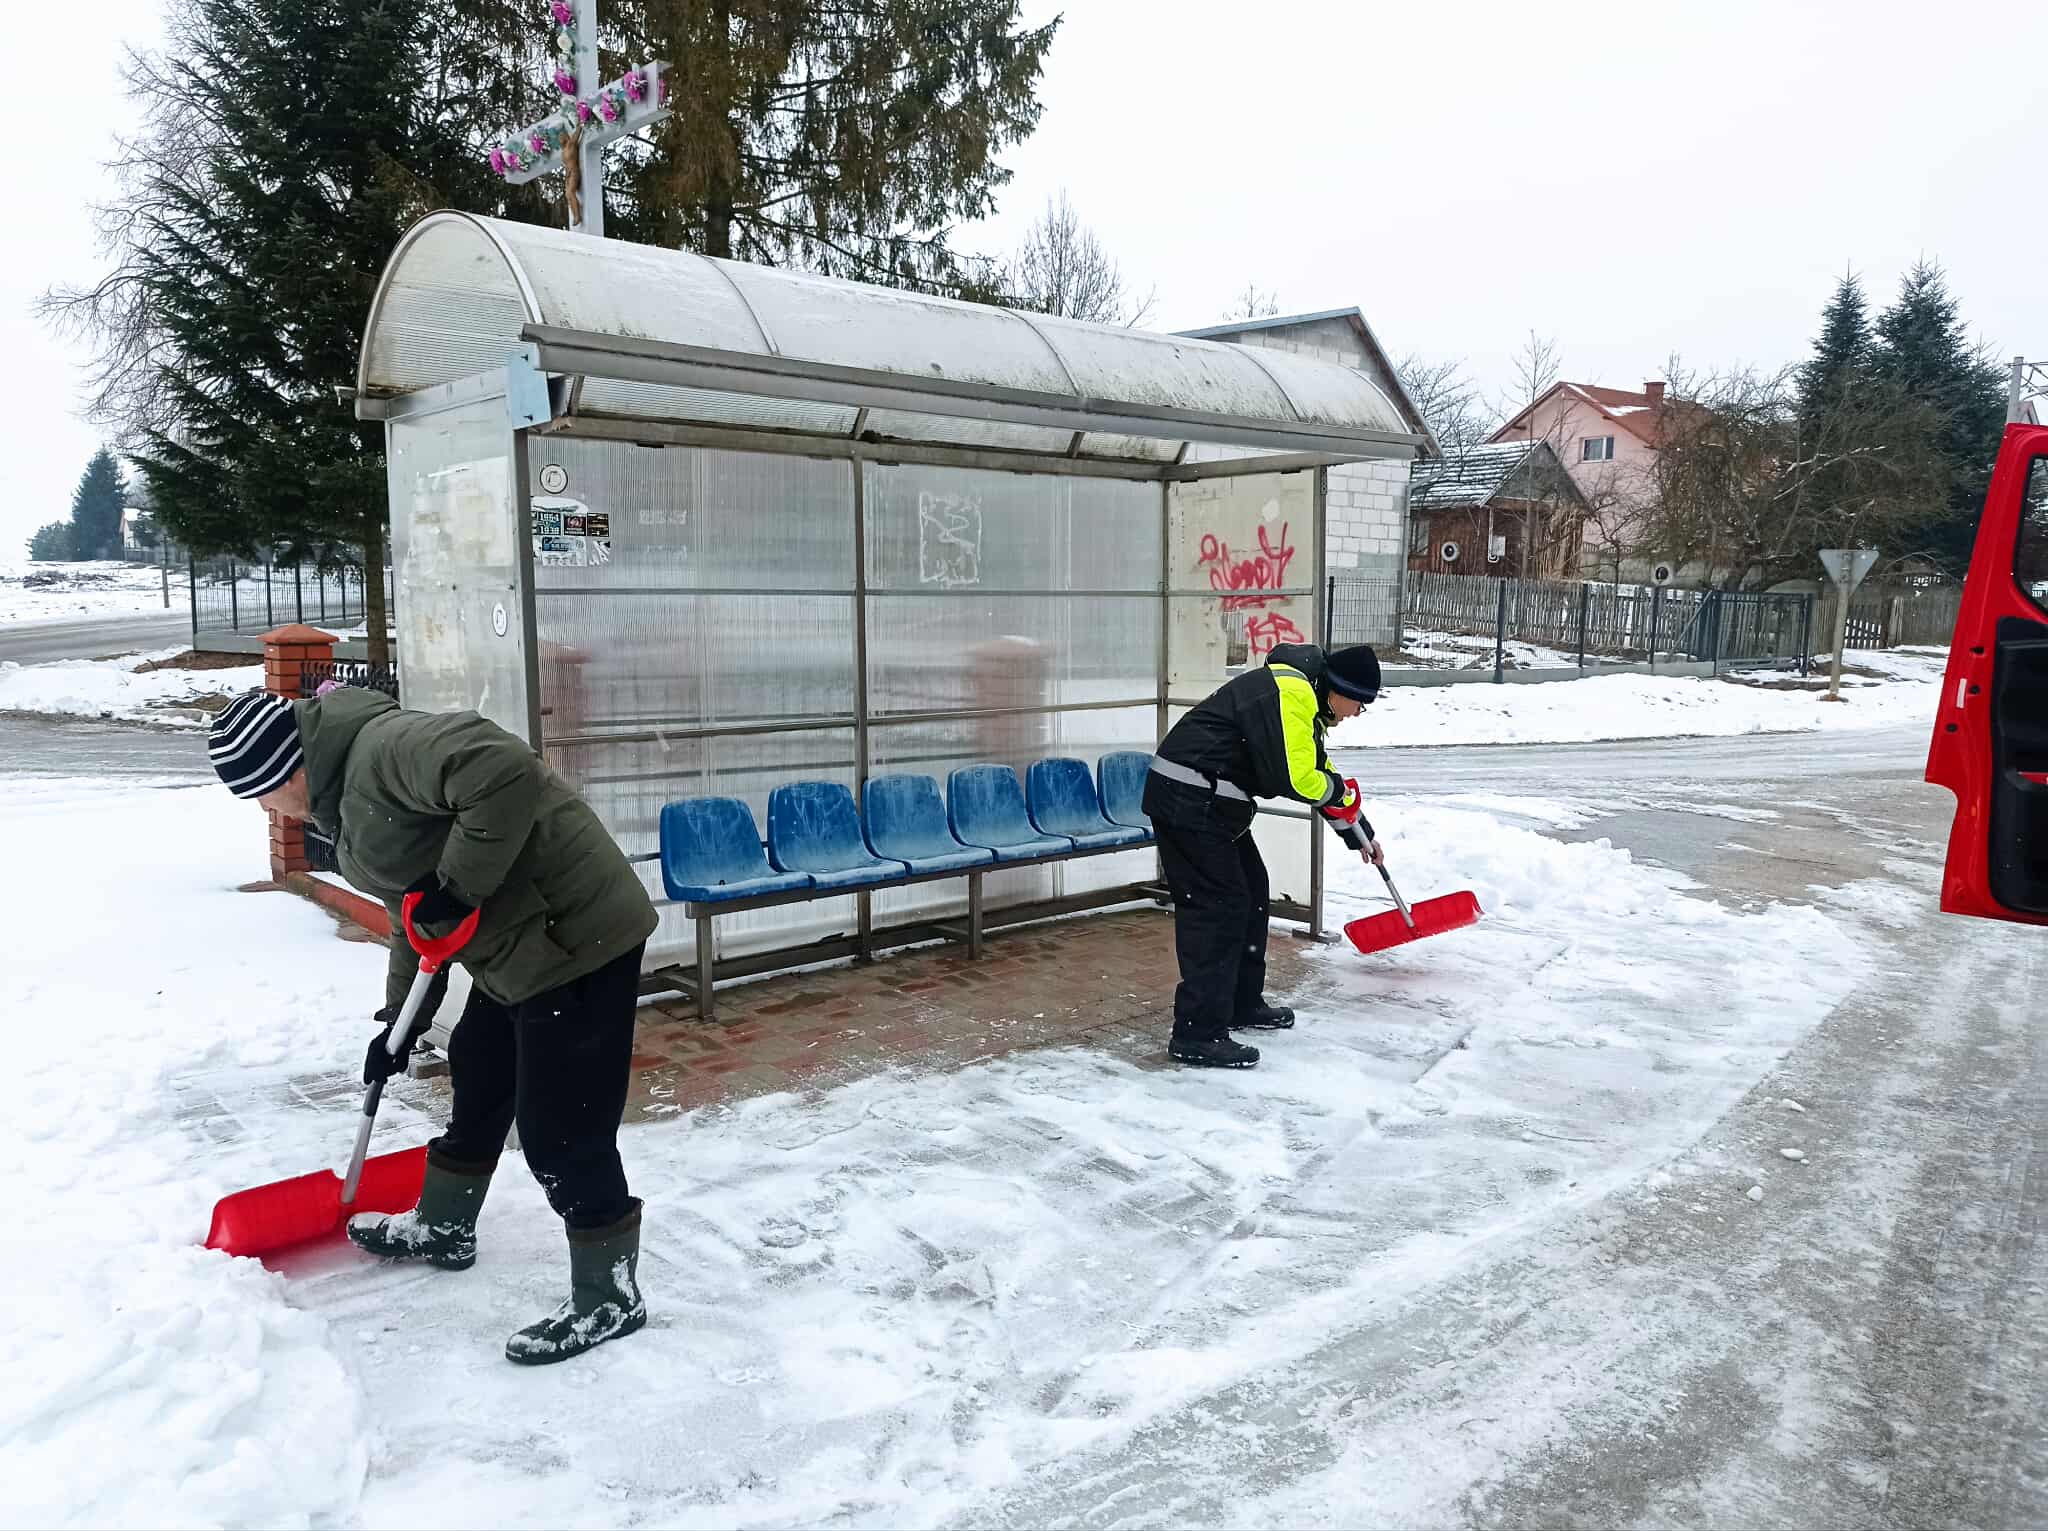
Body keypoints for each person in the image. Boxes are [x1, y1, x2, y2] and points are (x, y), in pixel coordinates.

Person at [207, 686, 659, 1364]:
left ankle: (611, 1294)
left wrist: (461, 884)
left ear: (288, 771)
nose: (267, 809)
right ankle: (446, 1225)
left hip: (577, 929)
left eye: (263, 794)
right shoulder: (343, 804)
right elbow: (411, 912)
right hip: (518, 945)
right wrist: (400, 1020)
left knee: (561, 1130)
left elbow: (503, 769)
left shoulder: (383, 751)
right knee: (478, 1065)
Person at [1141, 642, 1383, 1069]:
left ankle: (1239, 1002)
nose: (1356, 714)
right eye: (1359, 703)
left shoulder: (1305, 699)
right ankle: (1197, 1033)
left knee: (1252, 893)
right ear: (1340, 689)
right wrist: (1337, 795)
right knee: (1217, 907)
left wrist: (1359, 832)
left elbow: (1318, 773)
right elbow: (1296, 778)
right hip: (1189, 798)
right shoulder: (1292, 693)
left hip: (1214, 801)